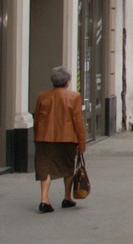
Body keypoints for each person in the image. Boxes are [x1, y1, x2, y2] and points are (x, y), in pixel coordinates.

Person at [34, 66, 86, 213]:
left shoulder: (42, 96)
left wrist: (36, 135)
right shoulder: (74, 97)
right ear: (67, 81)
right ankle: (67, 197)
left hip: (44, 138)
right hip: (67, 138)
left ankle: (44, 199)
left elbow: (37, 118)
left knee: (45, 168)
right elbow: (78, 121)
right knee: (67, 167)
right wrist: (81, 143)